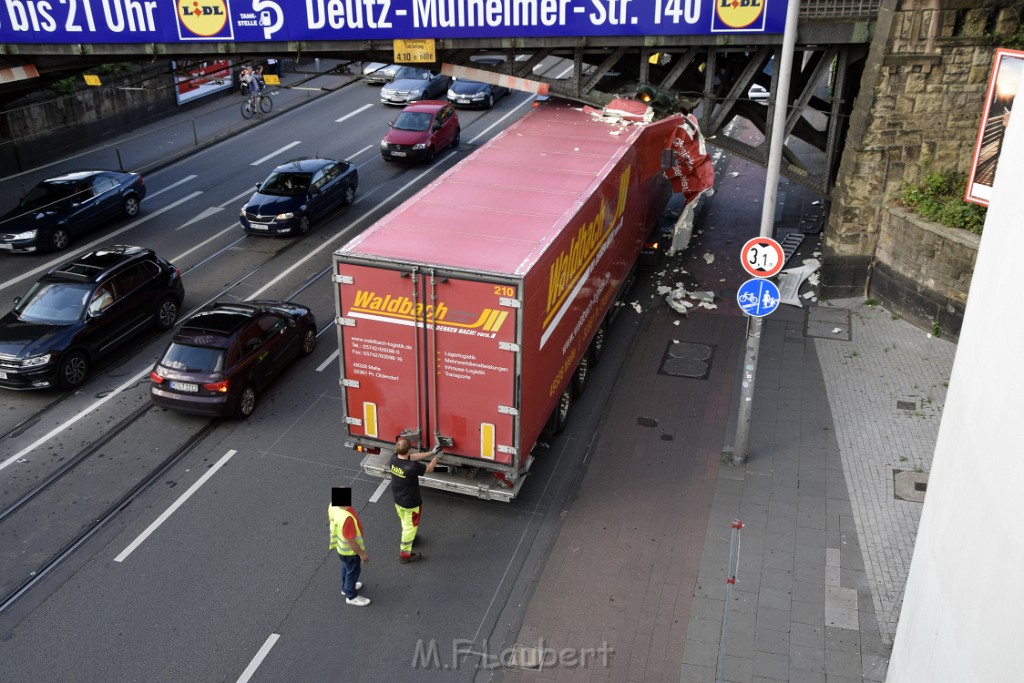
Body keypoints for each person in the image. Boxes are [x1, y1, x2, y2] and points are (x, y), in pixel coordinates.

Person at [388, 437, 441, 564]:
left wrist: (431, 452)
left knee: (405, 522)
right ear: (409, 450)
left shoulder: (394, 458)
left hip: (398, 500)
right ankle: (405, 555)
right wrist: (437, 457)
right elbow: (430, 469)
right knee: (409, 528)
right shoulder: (411, 467)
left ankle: (410, 539)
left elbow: (413, 457)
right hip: (411, 504)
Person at [328, 486, 370, 606]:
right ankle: (351, 596)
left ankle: (345, 588)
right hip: (350, 552)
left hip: (341, 549)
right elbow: (350, 541)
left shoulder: (332, 506)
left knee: (346, 568)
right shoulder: (347, 518)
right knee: (353, 571)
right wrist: (362, 554)